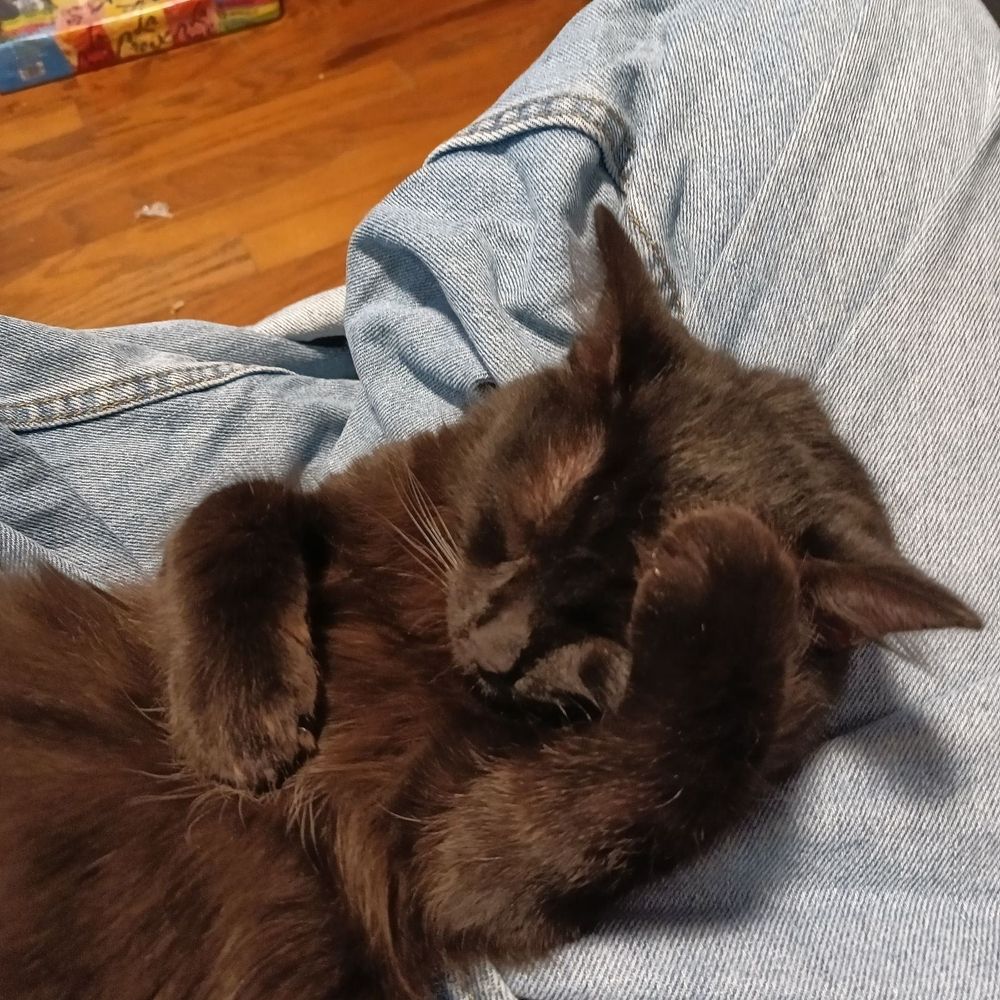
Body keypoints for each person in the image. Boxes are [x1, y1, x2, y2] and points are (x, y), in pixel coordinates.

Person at [2, 0, 998, 996]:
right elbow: (280, 519)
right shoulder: (472, 460)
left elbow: (476, 880)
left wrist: (707, 711)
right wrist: (234, 580)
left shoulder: (691, 725)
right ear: (578, 370)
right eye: (514, 547)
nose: (495, 638)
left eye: (591, 640)